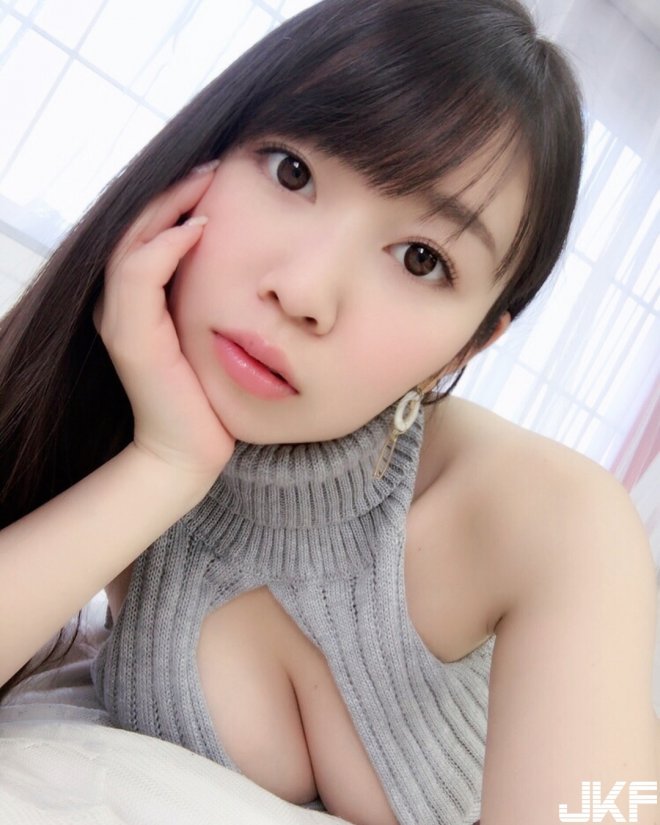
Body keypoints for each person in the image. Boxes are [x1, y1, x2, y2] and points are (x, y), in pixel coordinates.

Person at [0, 0, 657, 823]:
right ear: (206, 151)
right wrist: (165, 464)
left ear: (469, 345)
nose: (304, 290)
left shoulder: (549, 514)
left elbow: (608, 810)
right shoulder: (110, 403)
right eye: (292, 172)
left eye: (421, 259)